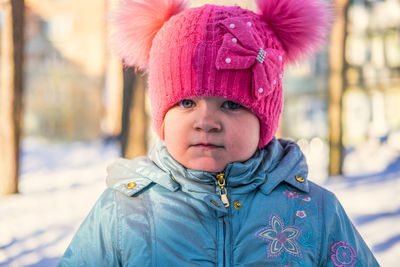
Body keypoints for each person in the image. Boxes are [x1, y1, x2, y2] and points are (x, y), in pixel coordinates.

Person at [58, 0, 380, 266]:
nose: (207, 121)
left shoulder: (316, 212)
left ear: (264, 121)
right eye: (187, 102)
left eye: (230, 104)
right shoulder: (123, 212)